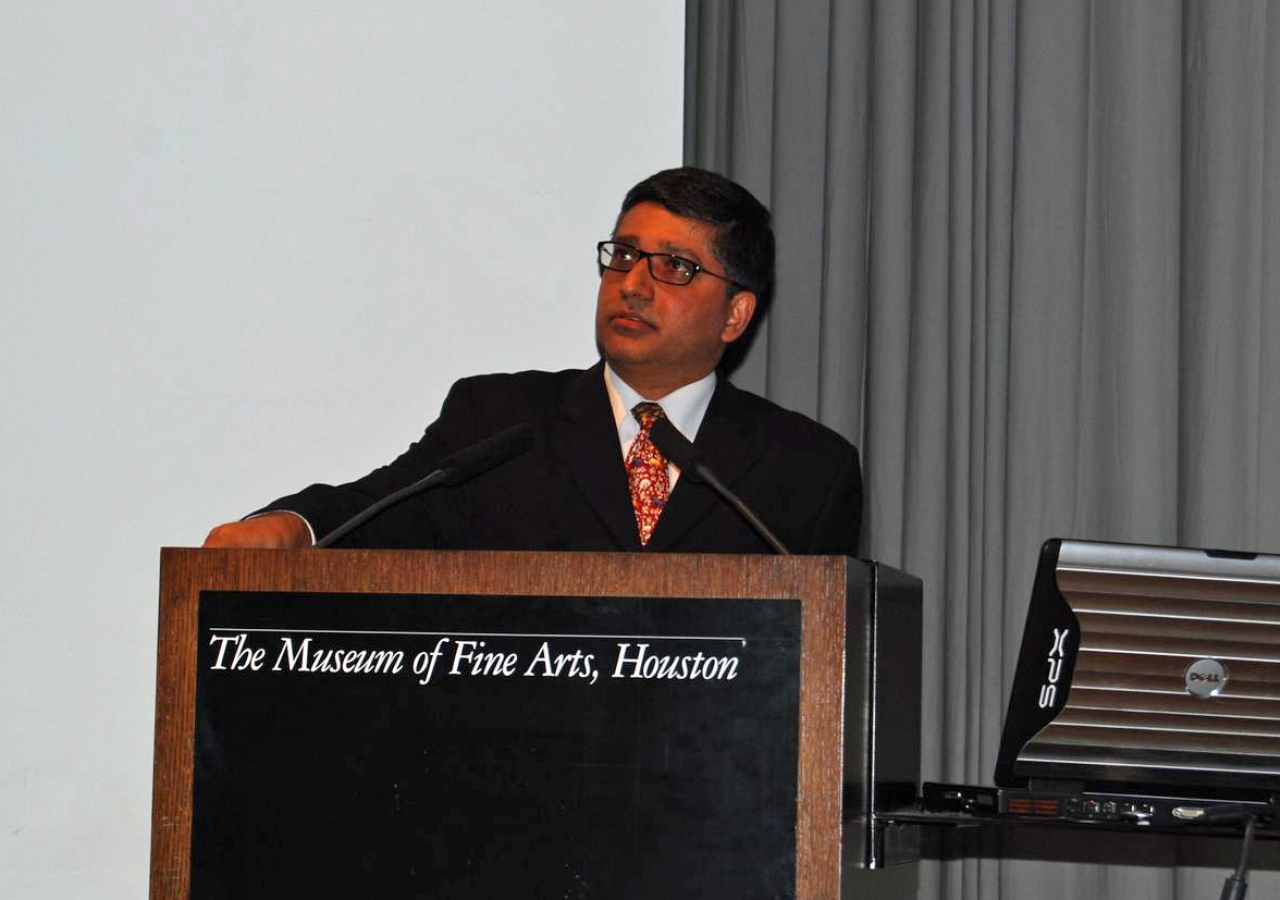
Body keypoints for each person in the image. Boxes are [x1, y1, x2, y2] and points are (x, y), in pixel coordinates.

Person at [203, 167, 862, 554]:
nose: (633, 283)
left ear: (735, 314)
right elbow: (376, 508)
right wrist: (292, 526)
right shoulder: (500, 423)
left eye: (675, 267)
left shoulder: (805, 469)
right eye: (625, 255)